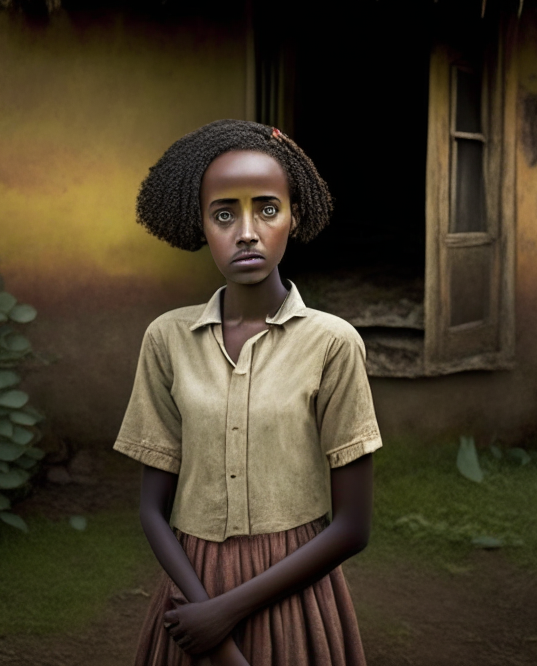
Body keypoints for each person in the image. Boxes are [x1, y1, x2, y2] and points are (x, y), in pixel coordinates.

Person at [114, 119, 382, 666]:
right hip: (192, 591)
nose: (246, 232)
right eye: (223, 214)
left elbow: (353, 527)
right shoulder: (167, 339)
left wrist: (225, 615)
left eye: (266, 208)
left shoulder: (333, 344)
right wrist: (202, 610)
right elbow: (151, 509)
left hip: (296, 597)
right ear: (202, 225)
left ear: (294, 216)